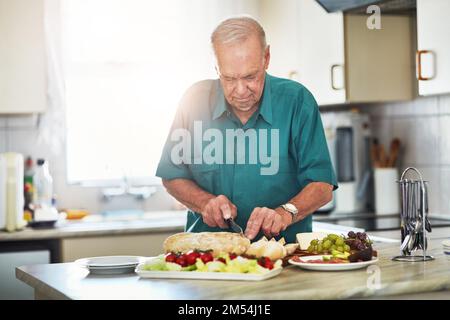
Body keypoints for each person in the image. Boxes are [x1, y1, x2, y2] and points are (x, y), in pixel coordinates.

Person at [156, 16, 337, 243]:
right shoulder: (193, 101)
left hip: (284, 259)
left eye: (250, 77)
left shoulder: (298, 101)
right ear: (217, 67)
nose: (241, 90)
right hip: (205, 260)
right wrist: (204, 202)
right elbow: (172, 176)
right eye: (229, 78)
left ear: (266, 58)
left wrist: (286, 212)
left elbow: (322, 185)